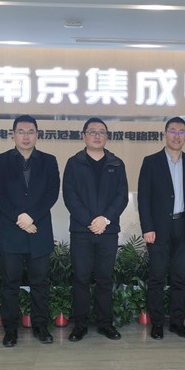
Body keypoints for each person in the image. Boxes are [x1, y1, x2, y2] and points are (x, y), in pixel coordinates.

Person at [0, 115, 60, 348]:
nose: (26, 136)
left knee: (40, 283)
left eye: (30, 131)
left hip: (39, 231)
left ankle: (40, 326)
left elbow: (52, 193)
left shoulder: (49, 161)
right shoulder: (1, 161)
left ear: (37, 134)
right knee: (10, 283)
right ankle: (10, 329)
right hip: (12, 232)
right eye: (21, 131)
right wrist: (19, 217)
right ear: (13, 134)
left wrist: (32, 216)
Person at [138, 117, 185, 340]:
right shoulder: (151, 162)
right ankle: (157, 324)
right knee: (157, 278)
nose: (177, 135)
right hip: (158, 229)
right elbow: (144, 198)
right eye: (173, 131)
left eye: (181, 132)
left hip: (183, 226)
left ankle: (177, 323)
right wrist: (147, 227)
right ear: (165, 133)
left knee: (180, 278)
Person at [63, 118, 129, 342]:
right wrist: (91, 221)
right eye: (92, 132)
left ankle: (105, 324)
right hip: (81, 231)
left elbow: (121, 196)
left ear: (107, 136)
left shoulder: (117, 163)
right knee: (80, 279)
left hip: (108, 232)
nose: (97, 136)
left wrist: (105, 220)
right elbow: (70, 197)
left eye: (101, 132)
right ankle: (80, 325)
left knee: (104, 279)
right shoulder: (74, 163)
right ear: (83, 136)